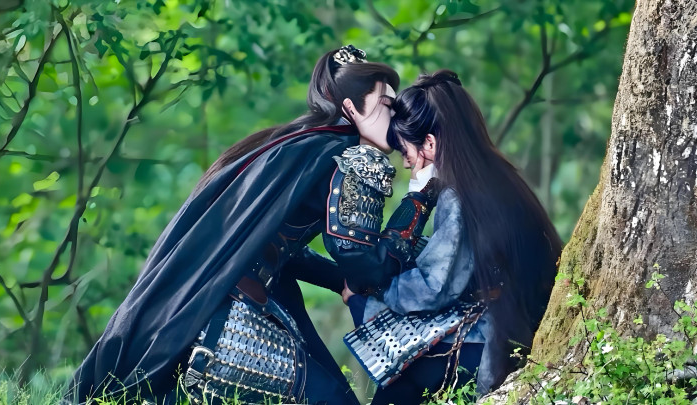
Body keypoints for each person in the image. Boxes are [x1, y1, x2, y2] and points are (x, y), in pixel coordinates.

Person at [65, 46, 433, 405]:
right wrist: (419, 196)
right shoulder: (354, 158)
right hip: (230, 325)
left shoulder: (300, 147)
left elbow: (278, 248)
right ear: (352, 109)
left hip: (208, 313)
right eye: (387, 104)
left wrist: (341, 283)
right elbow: (365, 265)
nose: (395, 116)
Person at [343, 70, 562, 403]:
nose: (407, 165)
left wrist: (372, 291)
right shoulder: (500, 176)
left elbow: (434, 288)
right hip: (519, 326)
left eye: (406, 153)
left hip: (492, 340)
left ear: (430, 144)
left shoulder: (458, 196)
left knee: (392, 370)